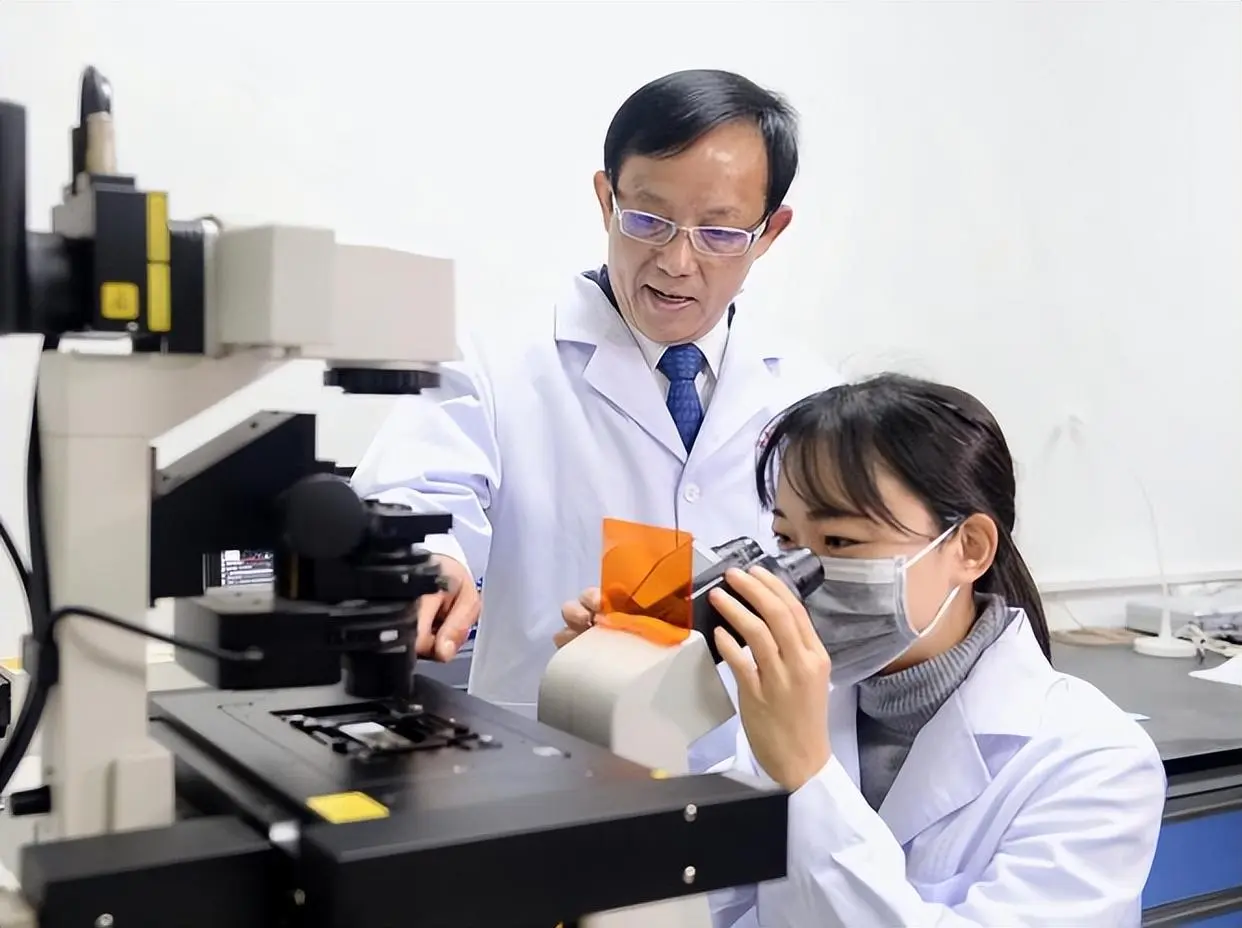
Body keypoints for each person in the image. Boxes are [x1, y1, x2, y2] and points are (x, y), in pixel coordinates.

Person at [560, 374, 1167, 925]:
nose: (801, 572)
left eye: (840, 540)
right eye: (786, 539)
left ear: (970, 548)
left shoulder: (1095, 761)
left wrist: (807, 773)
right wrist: (620, 704)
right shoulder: (801, 706)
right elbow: (700, 902)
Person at [350, 69, 835, 718]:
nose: (677, 262)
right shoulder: (494, 362)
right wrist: (430, 563)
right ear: (607, 200)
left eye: (719, 233)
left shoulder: (813, 392)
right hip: (555, 753)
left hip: (758, 761)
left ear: (770, 232)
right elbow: (414, 498)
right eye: (648, 220)